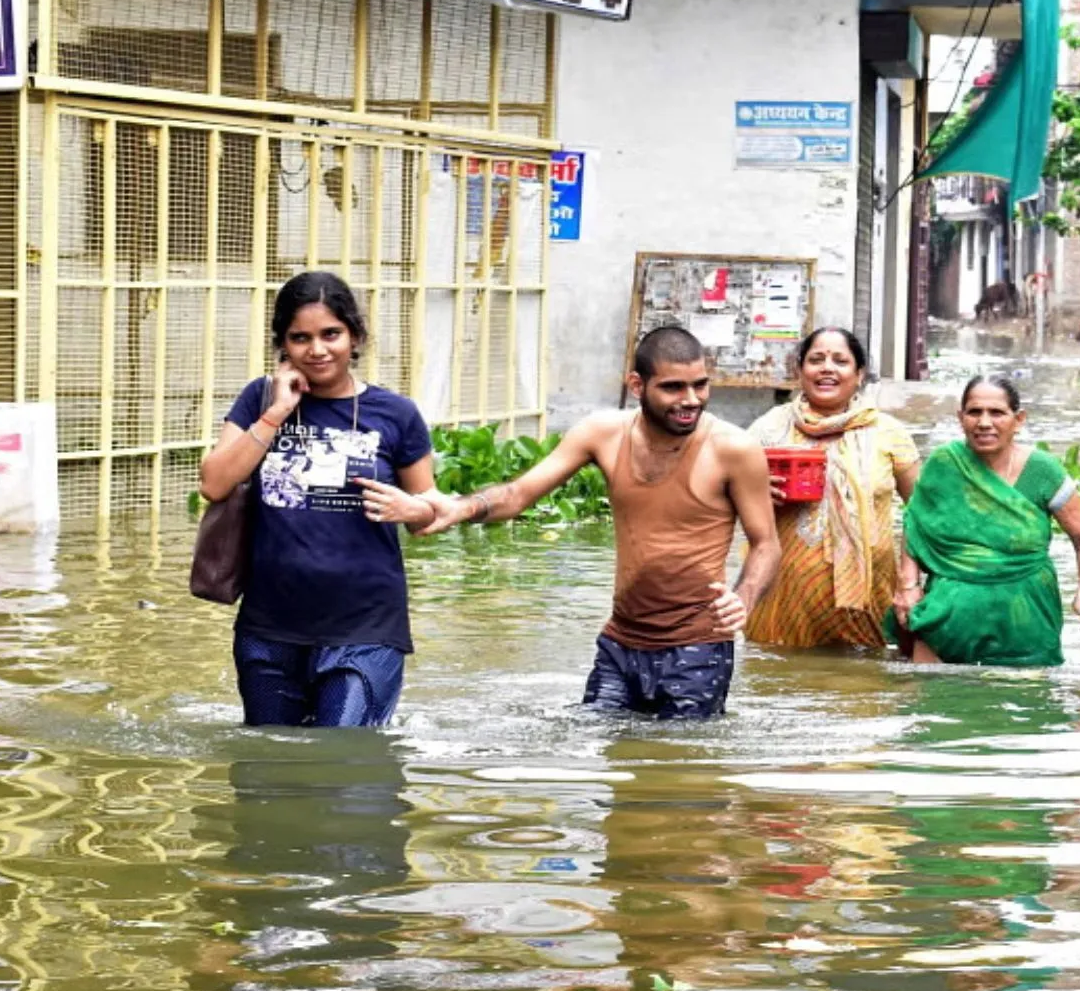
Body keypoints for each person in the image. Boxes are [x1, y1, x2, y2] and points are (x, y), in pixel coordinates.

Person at [420, 326, 781, 719]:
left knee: (682, 764)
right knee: (603, 749)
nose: (691, 400)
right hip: (620, 641)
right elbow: (519, 494)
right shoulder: (602, 433)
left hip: (698, 646)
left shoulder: (733, 449)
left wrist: (743, 599)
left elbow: (766, 543)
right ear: (637, 384)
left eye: (700, 385)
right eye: (674, 388)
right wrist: (460, 507)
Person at [198, 271, 439, 727]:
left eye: (331, 334)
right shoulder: (259, 399)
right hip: (270, 625)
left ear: (356, 336)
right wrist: (276, 413)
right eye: (300, 338)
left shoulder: (397, 414)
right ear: (283, 344)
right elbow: (214, 483)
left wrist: (415, 508)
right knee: (271, 769)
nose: (317, 349)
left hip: (366, 628)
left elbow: (432, 511)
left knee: (341, 761)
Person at [893, 375, 1080, 666]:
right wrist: (908, 586)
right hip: (946, 618)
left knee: (1026, 704)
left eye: (996, 413)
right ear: (961, 418)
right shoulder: (944, 465)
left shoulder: (1042, 472)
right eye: (974, 412)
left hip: (1026, 617)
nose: (984, 423)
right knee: (930, 703)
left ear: (1018, 420)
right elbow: (915, 526)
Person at [745, 327, 920, 649]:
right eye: (816, 360)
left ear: (859, 374)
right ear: (800, 370)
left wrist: (910, 585)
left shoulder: (887, 432)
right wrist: (752, 496)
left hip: (870, 601)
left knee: (864, 687)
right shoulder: (769, 428)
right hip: (784, 599)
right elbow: (722, 502)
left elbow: (922, 513)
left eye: (840, 361)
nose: (827, 368)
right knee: (780, 681)